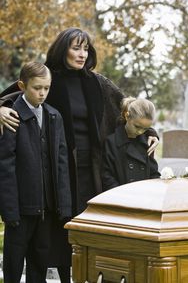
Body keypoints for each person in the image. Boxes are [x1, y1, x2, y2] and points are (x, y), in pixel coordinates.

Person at [0, 27, 159, 279]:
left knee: (89, 227)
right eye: (76, 47)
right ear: (62, 49)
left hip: (93, 169)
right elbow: (12, 96)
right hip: (57, 168)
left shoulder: (97, 83)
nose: (82, 54)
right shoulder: (46, 77)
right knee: (61, 229)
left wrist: (150, 131)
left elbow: (129, 107)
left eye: (86, 48)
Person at [0, 62, 71, 283]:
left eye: (46, 88)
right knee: (13, 262)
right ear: (22, 85)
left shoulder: (54, 116)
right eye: (36, 88)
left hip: (47, 209)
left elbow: (61, 163)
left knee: (39, 262)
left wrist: (64, 205)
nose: (42, 93)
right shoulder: (12, 116)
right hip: (20, 210)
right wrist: (9, 210)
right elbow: (5, 166)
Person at [102, 97, 160, 191]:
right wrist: (120, 195)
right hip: (120, 198)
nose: (140, 132)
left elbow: (153, 173)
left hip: (145, 196)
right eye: (137, 127)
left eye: (145, 129)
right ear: (126, 116)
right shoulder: (112, 142)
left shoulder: (148, 141)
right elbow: (107, 175)